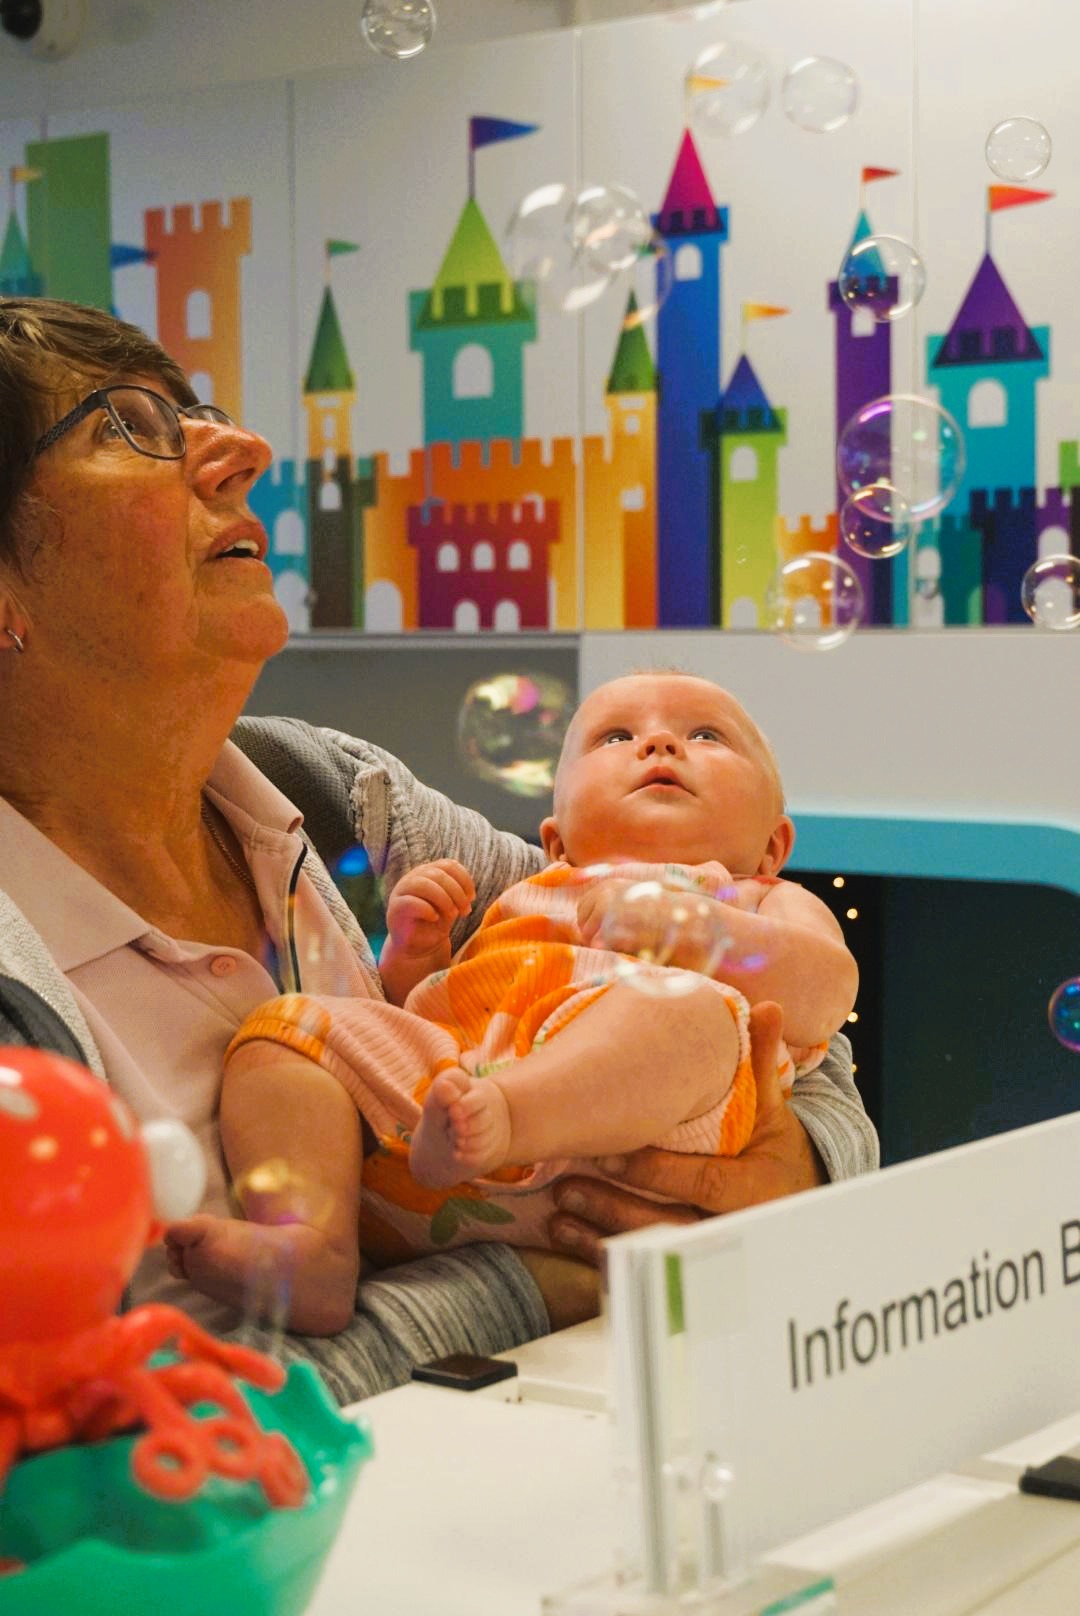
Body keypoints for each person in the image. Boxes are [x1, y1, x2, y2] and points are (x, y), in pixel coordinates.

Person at [0, 296, 878, 1398]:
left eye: (199, 414)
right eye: (126, 426)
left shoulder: (338, 795)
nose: (242, 453)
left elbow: (773, 999)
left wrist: (798, 1163)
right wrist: (529, 1283)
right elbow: (106, 1437)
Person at [168, 674, 859, 1331]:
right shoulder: (527, 892)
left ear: (773, 847)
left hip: (639, 1139)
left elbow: (828, 992)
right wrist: (417, 956)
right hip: (453, 1139)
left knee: (684, 1010)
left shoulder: (758, 896)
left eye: (707, 735)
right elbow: (441, 1018)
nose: (659, 744)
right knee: (287, 1030)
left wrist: (689, 930)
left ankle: (508, 1113)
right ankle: (309, 1246)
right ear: (555, 841)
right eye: (616, 737)